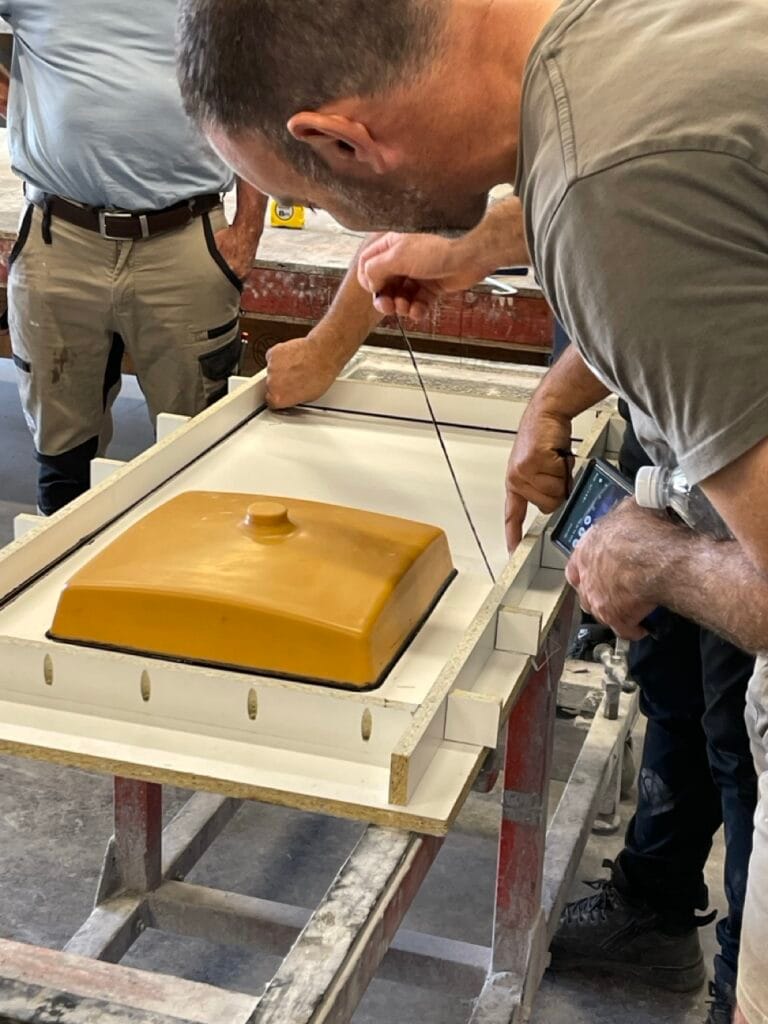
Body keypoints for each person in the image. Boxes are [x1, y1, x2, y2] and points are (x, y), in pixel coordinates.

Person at [177, 3, 768, 1022]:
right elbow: (699, 232)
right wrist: (508, 275)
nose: (343, 226)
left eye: (308, 198)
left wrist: (649, 557)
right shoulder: (625, 37)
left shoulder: (608, 189)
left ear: (340, 141)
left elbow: (630, 207)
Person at [0, 1, 267, 515]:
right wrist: (15, 102)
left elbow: (254, 88)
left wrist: (249, 227)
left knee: (201, 449)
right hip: (61, 242)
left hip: (184, 238)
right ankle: (70, 563)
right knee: (62, 462)